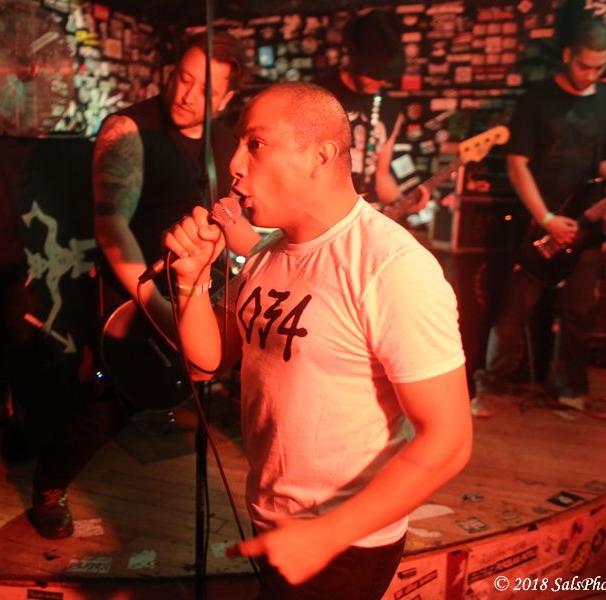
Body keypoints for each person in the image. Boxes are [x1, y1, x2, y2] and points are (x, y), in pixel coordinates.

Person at [162, 82, 472, 599]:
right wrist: (191, 281)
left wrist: (327, 534)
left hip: (345, 540)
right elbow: (207, 362)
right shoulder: (265, 253)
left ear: (321, 156)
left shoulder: (391, 268)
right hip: (273, 518)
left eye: (255, 144)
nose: (234, 164)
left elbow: (449, 440)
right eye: (238, 145)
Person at [26, 32, 247, 539]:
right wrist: (152, 302)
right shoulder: (128, 129)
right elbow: (111, 228)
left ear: (227, 98)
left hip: (192, 289)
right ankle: (48, 485)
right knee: (113, 402)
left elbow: (229, 218)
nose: (187, 95)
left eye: (206, 90)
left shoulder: (224, 142)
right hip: (134, 289)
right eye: (183, 78)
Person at [471, 18, 606, 419]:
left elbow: (605, 162)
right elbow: (517, 165)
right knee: (514, 311)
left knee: (578, 312)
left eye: (599, 66)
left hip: (585, 222)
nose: (591, 74)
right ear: (567, 56)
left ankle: (572, 389)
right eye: (584, 65)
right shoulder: (537, 99)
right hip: (537, 222)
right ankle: (490, 387)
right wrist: (545, 218)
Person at [315, 10, 428, 216]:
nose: (380, 82)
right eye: (374, 74)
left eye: (386, 77)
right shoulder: (316, 93)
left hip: (360, 215)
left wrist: (404, 204)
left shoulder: (390, 109)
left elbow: (381, 176)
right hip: (317, 209)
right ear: (355, 61)